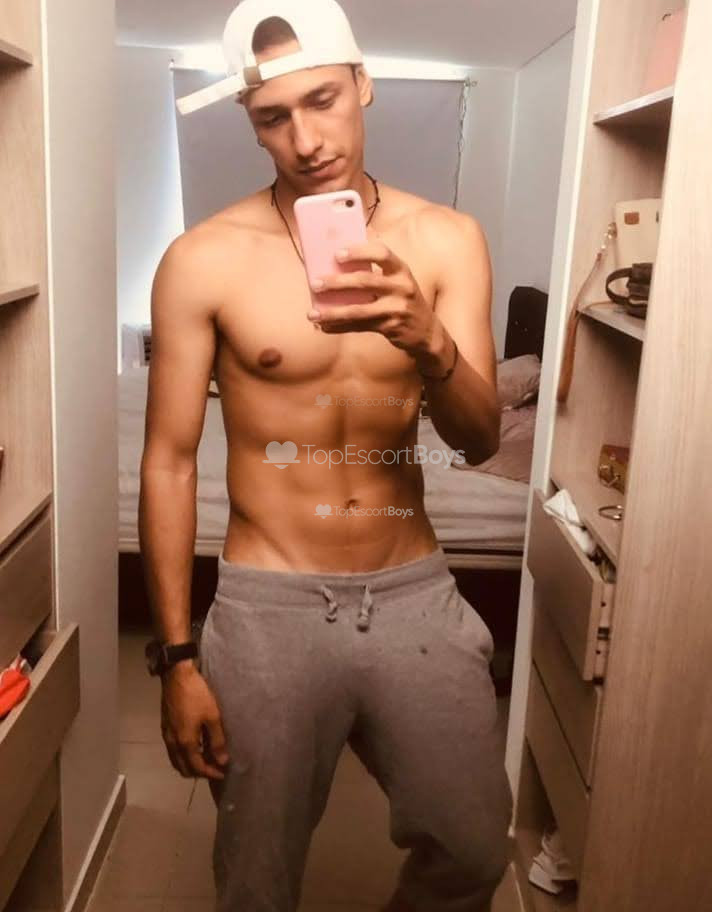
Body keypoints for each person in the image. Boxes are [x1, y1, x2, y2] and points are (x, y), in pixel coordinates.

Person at [138, 1, 512, 910]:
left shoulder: (446, 240)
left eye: (323, 101)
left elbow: (478, 441)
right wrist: (178, 659)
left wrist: (430, 344)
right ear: (249, 120)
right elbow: (169, 463)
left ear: (363, 86)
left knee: (472, 849)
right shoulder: (202, 259)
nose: (306, 141)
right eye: (274, 116)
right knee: (257, 882)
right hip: (268, 605)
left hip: (412, 588)